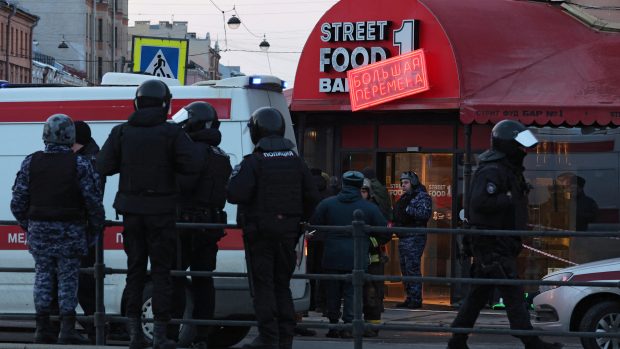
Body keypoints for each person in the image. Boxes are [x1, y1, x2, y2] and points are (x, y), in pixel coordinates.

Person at [96, 79, 201, 349]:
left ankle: (134, 336)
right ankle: (161, 335)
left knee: (135, 270)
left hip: (131, 212)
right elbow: (193, 164)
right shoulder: (171, 133)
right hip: (162, 212)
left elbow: (103, 165)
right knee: (162, 272)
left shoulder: (122, 132)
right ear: (166, 105)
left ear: (137, 102)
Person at [448, 119, 562, 349]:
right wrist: (508, 198)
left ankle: (457, 340)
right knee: (512, 292)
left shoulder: (505, 169)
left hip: (497, 242)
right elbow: (479, 203)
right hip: (492, 243)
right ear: (508, 144)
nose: (523, 151)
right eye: (519, 145)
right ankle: (530, 341)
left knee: (478, 295)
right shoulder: (493, 170)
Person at [227, 107, 319, 349]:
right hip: (288, 235)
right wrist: (297, 224)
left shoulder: (254, 162)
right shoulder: (297, 162)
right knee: (282, 286)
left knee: (264, 287)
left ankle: (268, 337)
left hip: (260, 236)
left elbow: (235, 193)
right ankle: (285, 337)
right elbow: (312, 196)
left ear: (257, 131)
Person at [10, 114, 105, 344]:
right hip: (71, 232)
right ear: (69, 136)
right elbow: (93, 203)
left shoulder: (31, 162)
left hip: (40, 232)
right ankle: (67, 329)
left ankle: (42, 328)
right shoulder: (80, 164)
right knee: (68, 280)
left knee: (43, 277)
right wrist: (92, 230)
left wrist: (30, 225)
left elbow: (17, 203)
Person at [169, 101, 232, 348]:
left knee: (175, 279)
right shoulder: (220, 153)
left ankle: (172, 334)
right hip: (210, 225)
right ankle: (202, 336)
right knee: (204, 281)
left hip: (186, 224)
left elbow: (183, 185)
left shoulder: (192, 151)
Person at [310, 171, 388, 339]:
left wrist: (328, 239)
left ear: (343, 185)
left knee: (333, 291)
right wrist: (369, 239)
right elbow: (385, 232)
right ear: (360, 187)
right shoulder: (369, 208)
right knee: (353, 292)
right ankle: (349, 325)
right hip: (356, 257)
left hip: (331, 255)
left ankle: (333, 324)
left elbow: (314, 224)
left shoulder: (327, 204)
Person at [393, 171, 432, 309]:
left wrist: (408, 210)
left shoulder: (422, 197)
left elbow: (424, 214)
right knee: (405, 268)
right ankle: (409, 297)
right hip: (404, 236)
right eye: (402, 183)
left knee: (412, 268)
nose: (403, 186)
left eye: (406, 183)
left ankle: (415, 299)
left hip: (414, 237)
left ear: (413, 182)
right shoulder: (405, 197)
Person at [361, 178, 390, 337]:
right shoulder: (351, 207)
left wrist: (369, 242)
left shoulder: (375, 209)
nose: (361, 194)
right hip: (356, 260)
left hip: (374, 259)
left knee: (373, 295)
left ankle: (373, 327)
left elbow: (385, 234)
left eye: (364, 191)